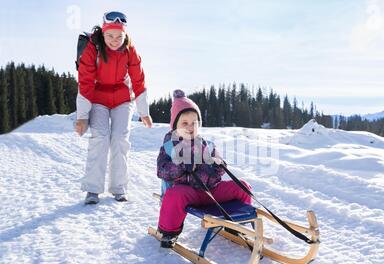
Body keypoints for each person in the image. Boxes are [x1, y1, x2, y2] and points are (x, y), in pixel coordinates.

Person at [156, 89, 252, 248]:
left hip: (211, 191)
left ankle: (236, 223)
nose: (190, 127)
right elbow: (162, 170)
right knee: (175, 195)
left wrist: (218, 165)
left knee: (242, 187)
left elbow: (220, 170)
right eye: (184, 123)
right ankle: (168, 232)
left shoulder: (207, 145)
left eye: (194, 123)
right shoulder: (169, 146)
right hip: (188, 192)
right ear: (175, 126)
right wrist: (180, 166)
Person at [74, 11, 153, 205]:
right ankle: (92, 189)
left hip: (123, 98)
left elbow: (138, 80)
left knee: (119, 139)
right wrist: (82, 116)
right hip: (98, 96)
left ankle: (119, 188)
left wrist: (144, 112)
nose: (114, 40)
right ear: (103, 32)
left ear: (125, 35)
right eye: (110, 36)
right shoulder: (93, 48)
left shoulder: (129, 50)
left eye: (119, 36)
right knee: (100, 137)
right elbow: (85, 82)